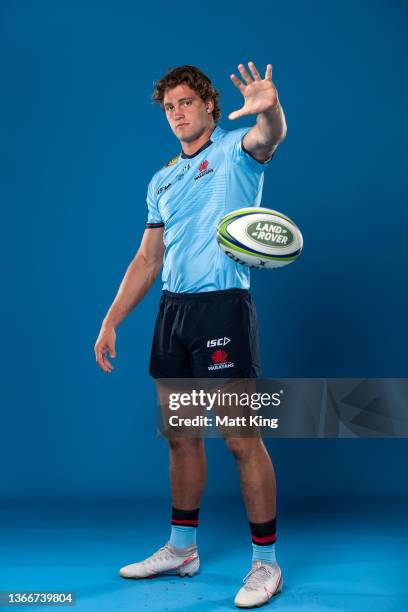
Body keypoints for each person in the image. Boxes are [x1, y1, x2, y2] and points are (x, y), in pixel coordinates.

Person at [94, 62, 287, 608]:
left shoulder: (235, 153)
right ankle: (182, 549)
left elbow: (269, 135)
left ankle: (266, 565)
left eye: (186, 102)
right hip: (173, 313)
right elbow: (147, 258)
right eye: (169, 107)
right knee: (180, 437)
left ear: (209, 106)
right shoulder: (162, 180)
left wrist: (269, 106)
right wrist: (111, 320)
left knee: (240, 439)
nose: (177, 113)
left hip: (223, 308)